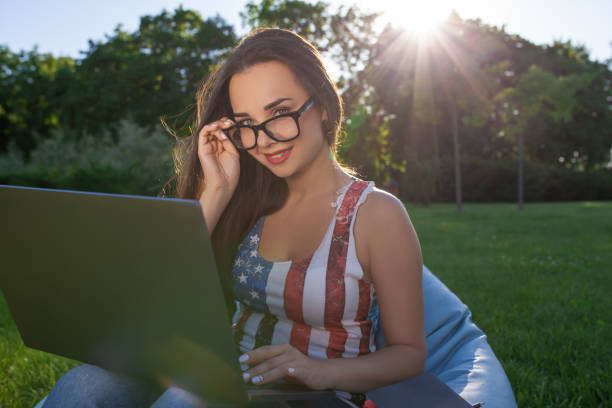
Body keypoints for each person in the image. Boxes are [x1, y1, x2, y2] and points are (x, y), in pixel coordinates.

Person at [42, 27, 426, 407]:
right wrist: (216, 192)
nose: (262, 139)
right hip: (224, 377)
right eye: (246, 124)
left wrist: (315, 370)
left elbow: (409, 353)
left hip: (317, 395)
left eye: (279, 112)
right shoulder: (250, 198)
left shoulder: (375, 213)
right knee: (82, 386)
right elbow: (157, 293)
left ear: (323, 105)